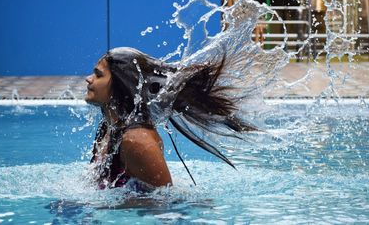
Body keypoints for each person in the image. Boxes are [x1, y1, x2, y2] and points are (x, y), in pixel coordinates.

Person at [85, 47, 255, 190]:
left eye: (98, 75)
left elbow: (164, 203)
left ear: (121, 84)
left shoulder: (136, 141)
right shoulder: (110, 126)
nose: (89, 79)